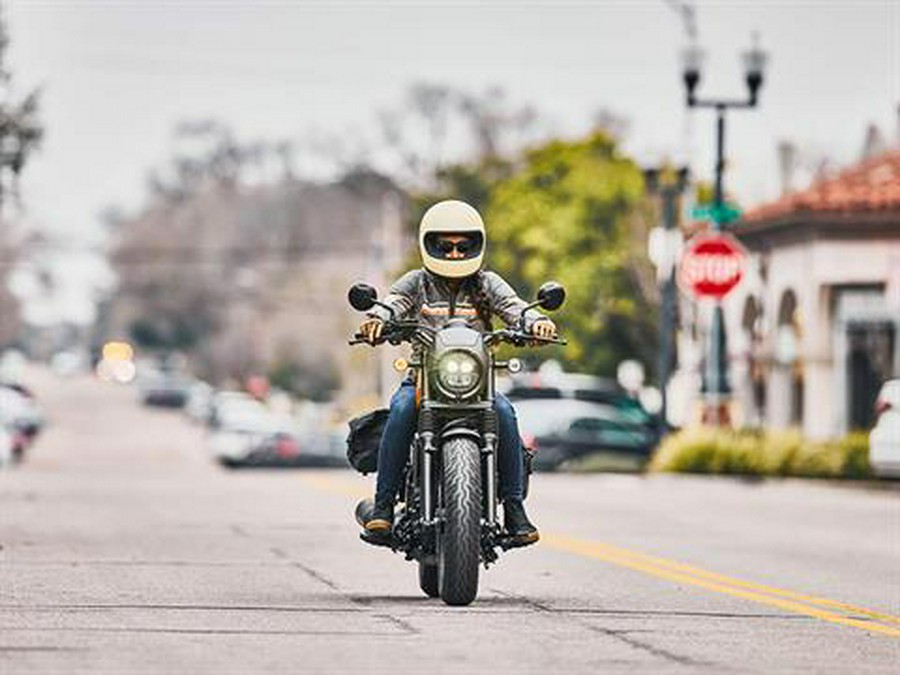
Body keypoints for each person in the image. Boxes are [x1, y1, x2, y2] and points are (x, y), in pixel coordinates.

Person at [357, 199, 557, 547]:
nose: (453, 254)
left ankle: (513, 507)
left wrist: (536, 321)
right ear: (428, 244)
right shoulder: (415, 283)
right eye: (444, 246)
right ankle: (384, 505)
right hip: (422, 379)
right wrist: (378, 320)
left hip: (478, 383)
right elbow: (392, 304)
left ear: (476, 245)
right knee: (402, 409)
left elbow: (515, 308)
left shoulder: (487, 283)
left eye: (462, 246)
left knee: (505, 414)